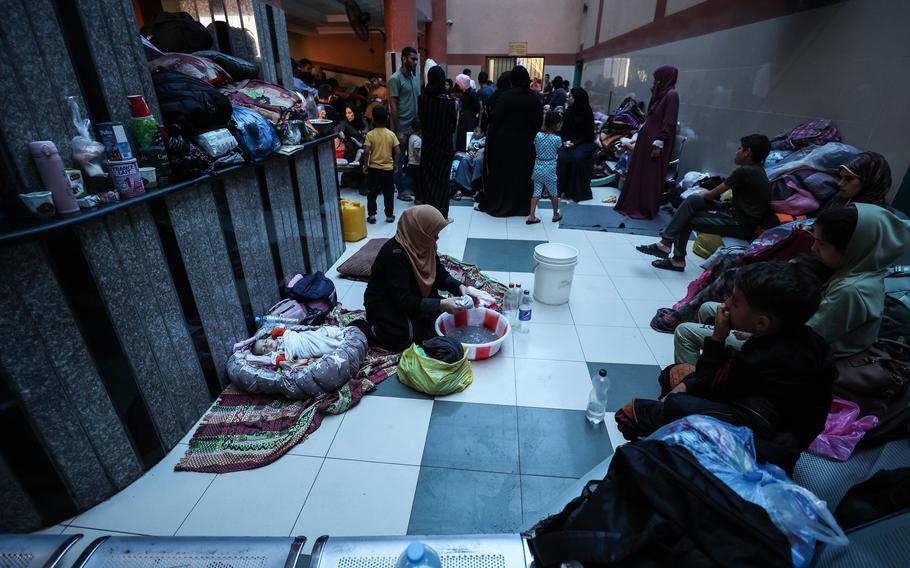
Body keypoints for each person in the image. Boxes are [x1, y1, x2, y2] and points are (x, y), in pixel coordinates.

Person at [616, 261, 836, 471]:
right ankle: (666, 433)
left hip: (758, 445)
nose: (726, 304)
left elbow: (707, 384)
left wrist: (718, 338)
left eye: (735, 302)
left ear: (761, 323)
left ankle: (659, 451)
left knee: (631, 412)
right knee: (674, 376)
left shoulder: (760, 360)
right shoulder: (808, 340)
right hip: (766, 422)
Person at [652, 151, 899, 336]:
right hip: (804, 261)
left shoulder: (870, 221)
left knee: (736, 275)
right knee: (729, 261)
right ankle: (702, 316)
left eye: (849, 179)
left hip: (812, 271)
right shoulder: (841, 203)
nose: (840, 183)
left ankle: (691, 318)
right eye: (841, 177)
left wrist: (801, 255)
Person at [673, 203, 910, 366]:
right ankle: (718, 369)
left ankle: (696, 388)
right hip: (792, 334)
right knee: (708, 309)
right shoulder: (858, 269)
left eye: (821, 244)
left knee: (685, 333)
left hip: (802, 357)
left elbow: (803, 340)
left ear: (851, 248)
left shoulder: (852, 290)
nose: (813, 248)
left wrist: (754, 333)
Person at [636, 134, 772, 271]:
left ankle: (676, 258)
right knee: (693, 200)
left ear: (747, 152)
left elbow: (711, 195)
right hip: (734, 213)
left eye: (739, 148)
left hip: (740, 224)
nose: (736, 152)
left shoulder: (744, 171)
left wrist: (703, 193)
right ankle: (665, 244)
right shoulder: (758, 171)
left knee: (686, 218)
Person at [356, 206, 482, 351]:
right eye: (434, 235)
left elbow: (439, 274)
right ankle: (366, 329)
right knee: (405, 337)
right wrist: (441, 304)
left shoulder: (424, 244)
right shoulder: (394, 254)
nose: (437, 239)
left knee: (439, 323)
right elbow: (403, 301)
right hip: (388, 303)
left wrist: (460, 288)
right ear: (420, 232)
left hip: (412, 297)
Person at [615, 65, 680, 219]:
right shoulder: (663, 95)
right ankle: (633, 204)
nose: (654, 84)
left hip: (655, 145)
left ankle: (644, 208)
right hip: (647, 142)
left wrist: (659, 143)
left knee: (650, 177)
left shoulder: (671, 95)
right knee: (640, 174)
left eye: (657, 80)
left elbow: (669, 122)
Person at [478, 66, 543, 217]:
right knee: (523, 175)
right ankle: (521, 207)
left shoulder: (506, 97)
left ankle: (500, 204)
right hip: (527, 145)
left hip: (505, 144)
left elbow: (495, 120)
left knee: (504, 175)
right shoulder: (535, 98)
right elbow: (538, 122)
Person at [418, 66, 458, 220]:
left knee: (428, 181)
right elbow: (453, 126)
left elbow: (422, 122)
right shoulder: (449, 101)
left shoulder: (422, 99)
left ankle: (428, 217)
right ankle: (442, 217)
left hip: (428, 147)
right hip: (444, 148)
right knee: (442, 183)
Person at [389, 46, 420, 201]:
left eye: (416, 59)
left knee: (411, 160)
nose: (415, 62)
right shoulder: (395, 79)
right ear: (404, 59)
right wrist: (398, 130)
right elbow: (393, 105)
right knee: (400, 159)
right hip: (402, 126)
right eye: (413, 59)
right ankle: (401, 190)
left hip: (414, 128)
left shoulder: (414, 78)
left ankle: (408, 187)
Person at [557, 87, 596, 203]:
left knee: (577, 158)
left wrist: (575, 143)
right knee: (563, 158)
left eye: (570, 96)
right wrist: (566, 142)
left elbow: (588, 135)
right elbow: (564, 132)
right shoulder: (569, 112)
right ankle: (560, 191)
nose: (567, 98)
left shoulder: (588, 113)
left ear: (577, 99)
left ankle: (575, 192)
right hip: (570, 142)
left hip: (585, 143)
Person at [362, 106, 399, 224]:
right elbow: (398, 151)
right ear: (387, 118)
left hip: (374, 168)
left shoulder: (370, 135)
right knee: (388, 193)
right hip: (388, 169)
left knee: (372, 192)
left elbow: (367, 151)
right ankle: (389, 216)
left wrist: (366, 165)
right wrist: (395, 164)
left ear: (373, 119)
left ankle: (372, 215)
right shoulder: (391, 134)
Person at [527, 111, 563, 224]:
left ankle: (531, 216)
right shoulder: (557, 139)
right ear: (556, 124)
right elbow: (559, 152)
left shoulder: (538, 135)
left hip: (538, 167)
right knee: (553, 193)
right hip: (550, 168)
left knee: (536, 192)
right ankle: (555, 215)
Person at [455, 73, 480, 152]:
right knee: (464, 138)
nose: (458, 86)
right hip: (468, 118)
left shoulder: (470, 93)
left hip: (469, 119)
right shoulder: (468, 92)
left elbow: (477, 107)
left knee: (466, 138)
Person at [407, 121, 422, 203]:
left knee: (416, 183)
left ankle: (417, 198)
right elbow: (416, 152)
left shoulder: (411, 137)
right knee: (418, 183)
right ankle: (418, 199)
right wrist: (421, 161)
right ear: (420, 129)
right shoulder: (418, 140)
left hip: (411, 163)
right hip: (416, 164)